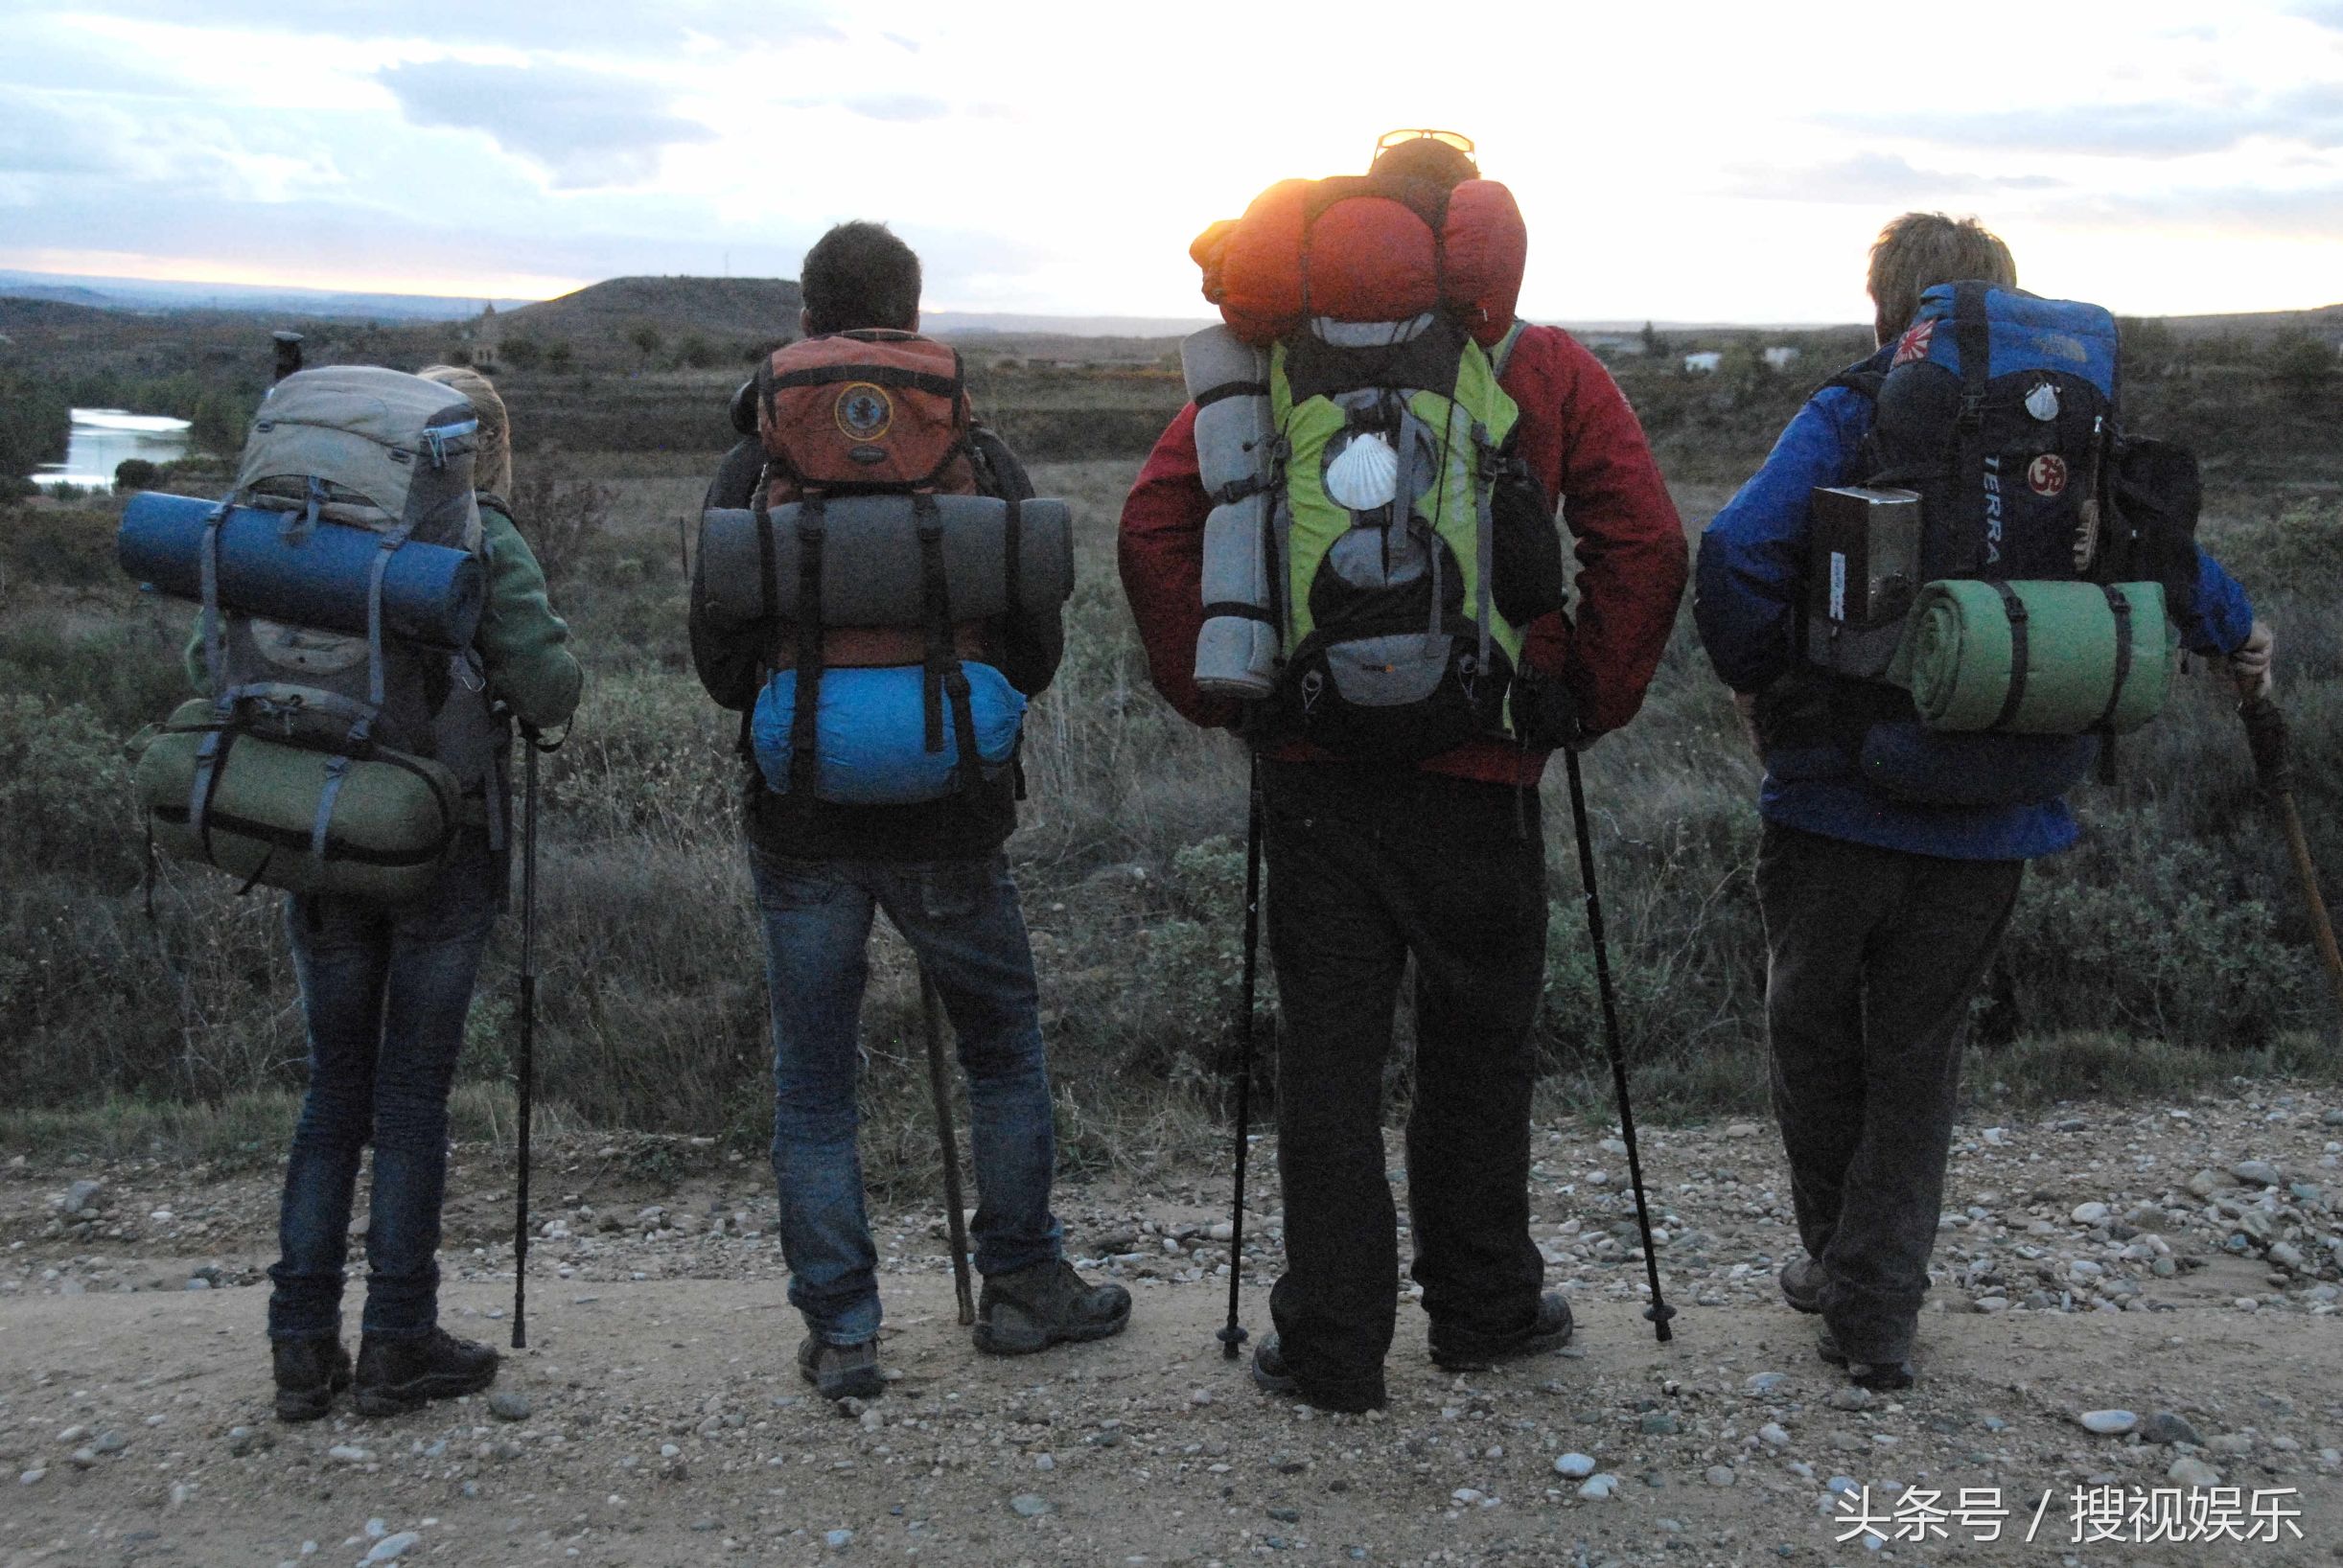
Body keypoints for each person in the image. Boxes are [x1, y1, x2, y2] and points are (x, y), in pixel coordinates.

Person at [1119, 134, 1689, 1412]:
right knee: (1477, 1049)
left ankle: (1329, 1347)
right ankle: (1484, 1309)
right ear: (1466, 231)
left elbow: (1155, 522)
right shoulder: (1537, 363)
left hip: (1315, 768)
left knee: (1327, 1062)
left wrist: (1226, 691)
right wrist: (1578, 703)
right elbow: (1644, 540)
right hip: (1483, 767)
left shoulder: (1271, 364)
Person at [1693, 212, 2274, 1389]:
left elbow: (1736, 550)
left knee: (1810, 1030)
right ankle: (1875, 1312)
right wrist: (2239, 633)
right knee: (1918, 1055)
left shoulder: (1857, 406)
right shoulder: (2069, 423)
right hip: (2001, 799)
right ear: (1998, 308)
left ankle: (1837, 1263)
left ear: (1887, 307)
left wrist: (1763, 688)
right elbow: (2164, 564)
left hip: (1833, 796)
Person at [690, 220, 1129, 1402]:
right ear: (913, 310)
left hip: (802, 823)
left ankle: (843, 1332)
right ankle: (1026, 1287)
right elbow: (1033, 654)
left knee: (815, 1084)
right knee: (1001, 1053)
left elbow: (721, 666)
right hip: (952, 816)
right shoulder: (973, 455)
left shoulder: (754, 464)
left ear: (806, 320)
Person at [257, 363, 584, 1419]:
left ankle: (300, 1347)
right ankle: (399, 1336)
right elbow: (549, 687)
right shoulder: (482, 534)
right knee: (408, 1100)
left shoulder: (309, 527)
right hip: (439, 847)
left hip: (315, 832)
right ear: (484, 447)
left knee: (330, 1094)